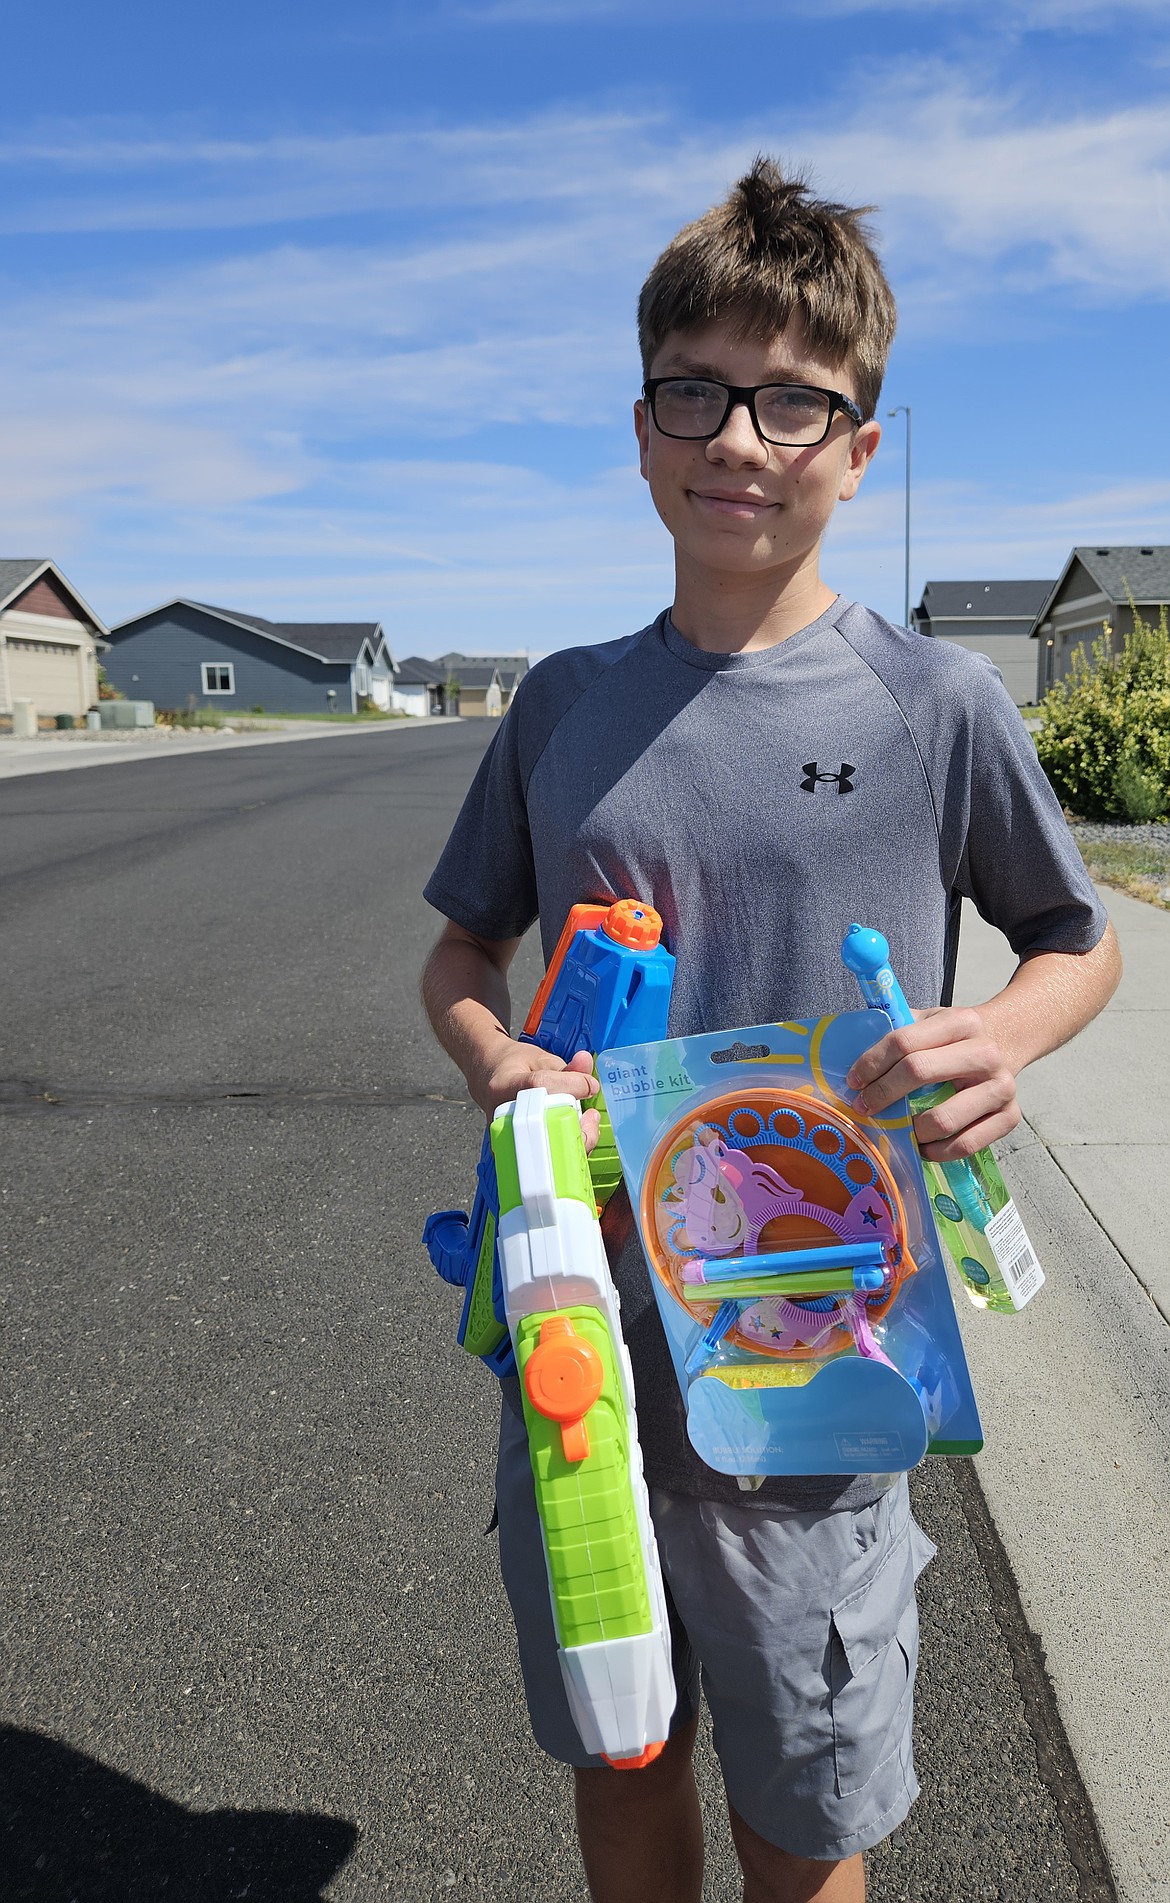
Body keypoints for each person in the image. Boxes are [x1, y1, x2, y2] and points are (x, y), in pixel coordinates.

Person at [420, 159, 1121, 1903]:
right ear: (642, 427)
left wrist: (999, 1037)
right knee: (619, 1736)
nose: (740, 438)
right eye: (696, 393)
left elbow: (1074, 933)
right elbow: (458, 949)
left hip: (814, 1332)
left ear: (856, 445)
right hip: (580, 1322)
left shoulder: (933, 701)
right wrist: (492, 1055)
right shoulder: (565, 704)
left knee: (810, 1801)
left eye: (793, 400)